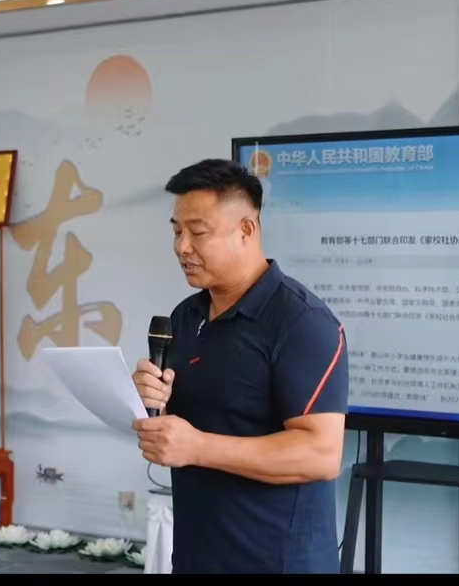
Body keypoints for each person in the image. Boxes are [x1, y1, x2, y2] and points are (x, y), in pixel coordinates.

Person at [131, 159, 349, 574]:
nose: (182, 247)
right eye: (177, 231)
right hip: (198, 556)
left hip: (278, 563)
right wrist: (153, 399)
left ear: (246, 230)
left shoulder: (301, 323)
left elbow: (320, 454)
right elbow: (203, 418)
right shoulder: (185, 316)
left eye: (198, 232)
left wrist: (197, 446)